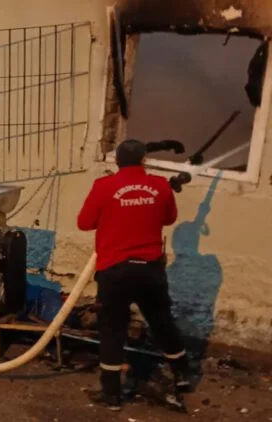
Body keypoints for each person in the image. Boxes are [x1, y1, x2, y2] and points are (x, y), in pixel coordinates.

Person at [77, 139, 191, 410]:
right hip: (150, 271)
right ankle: (183, 374)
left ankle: (112, 395)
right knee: (162, 322)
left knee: (112, 330)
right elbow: (169, 218)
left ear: (117, 161)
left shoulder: (103, 186)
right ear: (144, 161)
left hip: (115, 271)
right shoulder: (161, 186)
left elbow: (84, 223)